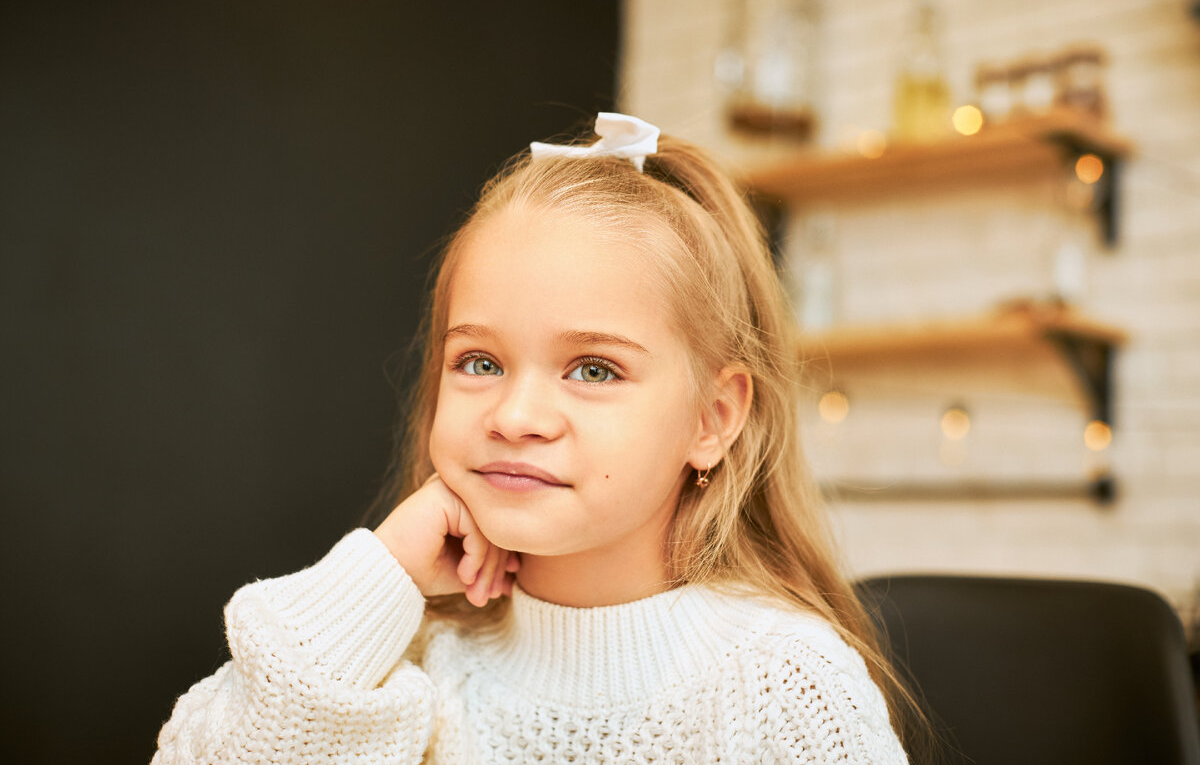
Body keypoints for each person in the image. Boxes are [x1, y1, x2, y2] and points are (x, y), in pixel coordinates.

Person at [152, 113, 912, 763]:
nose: (515, 417)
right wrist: (377, 582)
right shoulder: (400, 655)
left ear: (713, 420)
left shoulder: (783, 685)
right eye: (480, 362)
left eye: (592, 369)